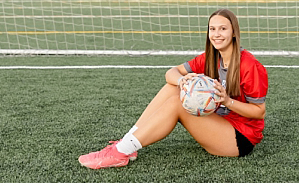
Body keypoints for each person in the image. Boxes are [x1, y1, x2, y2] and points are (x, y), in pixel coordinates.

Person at [78, 9, 268, 169]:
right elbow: (171, 73)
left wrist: (227, 101)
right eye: (212, 29)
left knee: (178, 103)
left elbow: (259, 112)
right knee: (174, 88)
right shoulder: (210, 57)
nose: (217, 34)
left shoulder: (249, 65)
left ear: (234, 32)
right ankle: (126, 144)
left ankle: (120, 153)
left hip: (240, 138)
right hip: (218, 122)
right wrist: (182, 81)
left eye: (223, 29)